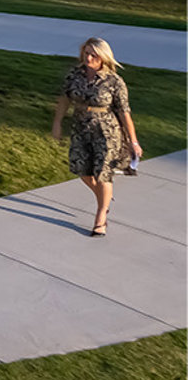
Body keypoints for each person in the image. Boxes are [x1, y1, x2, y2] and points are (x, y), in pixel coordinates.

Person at [50, 37, 142, 236]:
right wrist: (57, 122)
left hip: (107, 131)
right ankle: (104, 197)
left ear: (103, 57)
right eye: (86, 52)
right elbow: (64, 99)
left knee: (103, 173)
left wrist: (133, 141)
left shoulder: (114, 81)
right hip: (81, 128)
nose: (88, 57)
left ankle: (101, 217)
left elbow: (125, 112)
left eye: (93, 54)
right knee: (82, 170)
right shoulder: (75, 75)